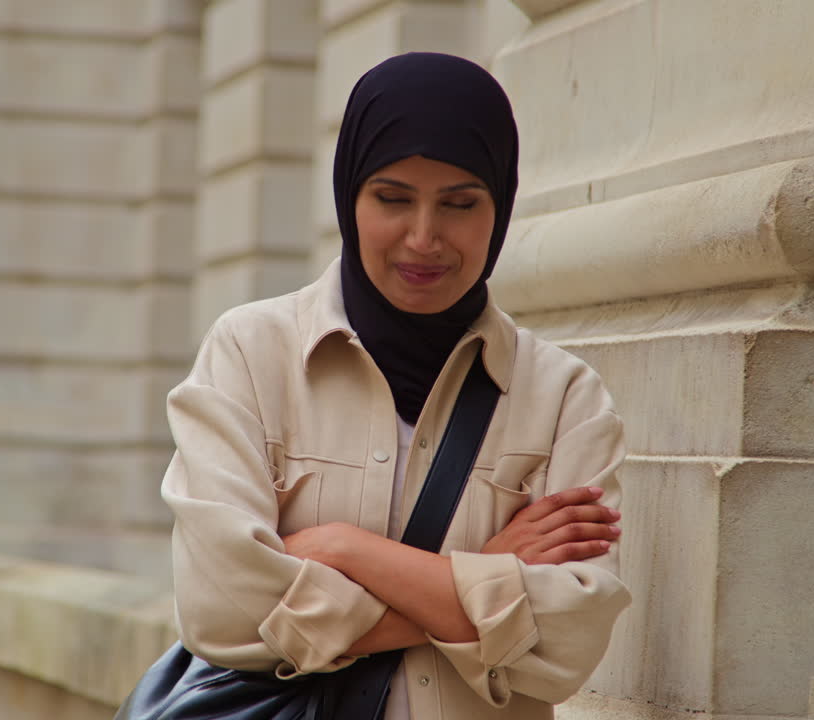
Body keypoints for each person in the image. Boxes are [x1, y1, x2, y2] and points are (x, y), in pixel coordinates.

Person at [161, 52, 631, 720]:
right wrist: (487, 571)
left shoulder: (564, 398)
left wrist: (343, 550)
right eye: (392, 198)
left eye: (459, 204)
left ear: (500, 206)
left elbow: (566, 647)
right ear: (349, 197)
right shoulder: (250, 355)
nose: (423, 237)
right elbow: (222, 612)